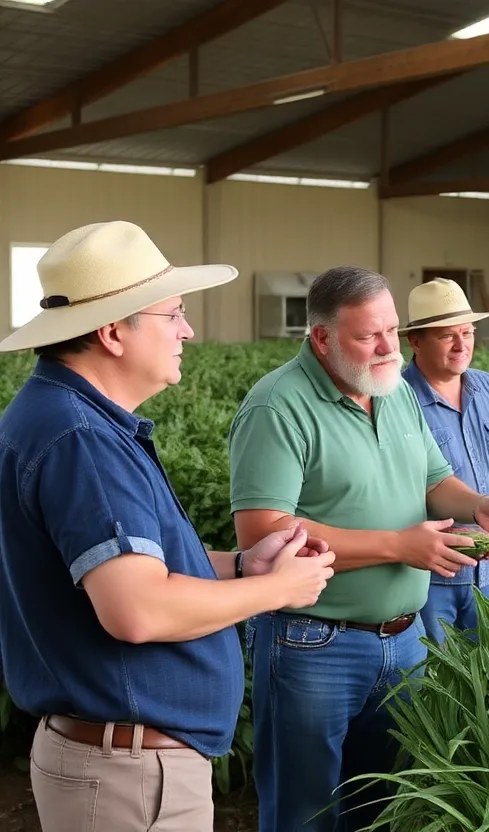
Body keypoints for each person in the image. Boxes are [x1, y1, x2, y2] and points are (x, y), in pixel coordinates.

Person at [0, 221, 336, 832]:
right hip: (126, 775)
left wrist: (242, 565)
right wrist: (279, 591)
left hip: (117, 762)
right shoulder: (83, 441)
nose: (188, 330)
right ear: (112, 332)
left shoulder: (61, 418)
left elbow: (129, 573)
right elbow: (138, 609)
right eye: (173, 314)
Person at [227, 265, 489, 832]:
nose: (387, 346)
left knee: (386, 807)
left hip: (404, 639)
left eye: (392, 330)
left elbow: (433, 480)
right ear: (321, 338)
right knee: (306, 811)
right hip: (313, 644)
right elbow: (262, 535)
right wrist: (399, 545)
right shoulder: (278, 406)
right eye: (369, 335)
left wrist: (481, 505)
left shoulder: (391, 391)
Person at [401, 278, 489, 645]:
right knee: (434, 684)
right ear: (415, 341)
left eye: (468, 332)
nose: (462, 344)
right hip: (432, 577)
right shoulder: (397, 402)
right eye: (448, 335)